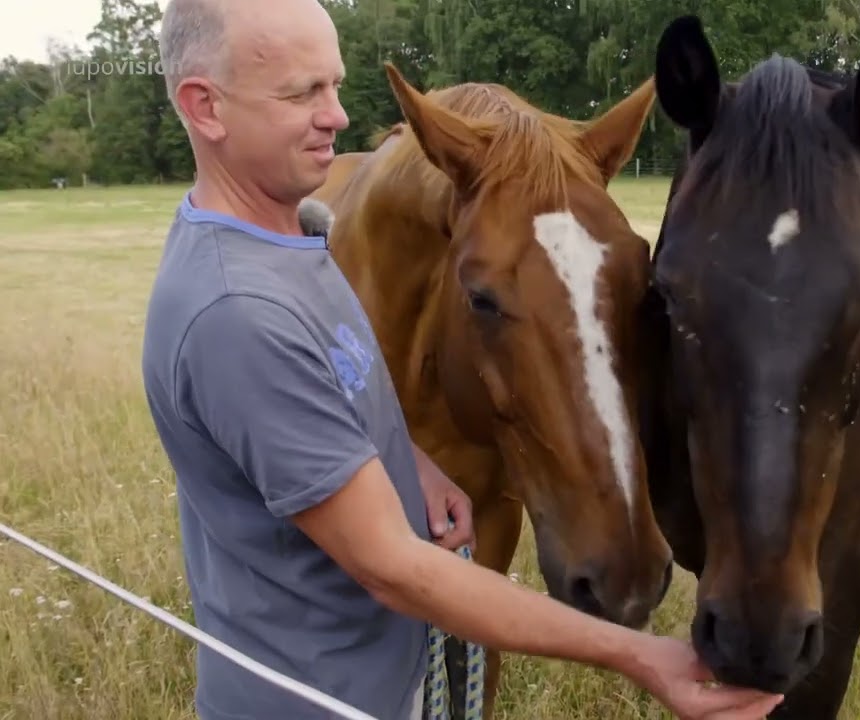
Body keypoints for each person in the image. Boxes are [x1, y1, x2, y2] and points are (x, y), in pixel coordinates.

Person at [140, 1, 786, 719]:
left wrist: (408, 462)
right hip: (322, 701)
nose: (338, 117)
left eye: (334, 85)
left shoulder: (291, 237)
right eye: (302, 94)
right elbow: (395, 568)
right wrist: (643, 656)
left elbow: (337, 382)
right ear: (205, 107)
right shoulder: (239, 315)